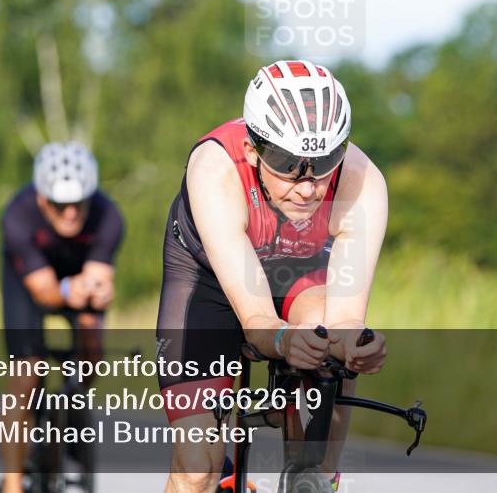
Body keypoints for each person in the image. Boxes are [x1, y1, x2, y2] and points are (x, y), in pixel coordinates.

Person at [157, 60, 389, 492]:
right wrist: (282, 340)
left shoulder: (362, 182)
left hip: (299, 274)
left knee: (327, 342)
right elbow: (258, 322)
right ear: (252, 150)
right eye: (288, 163)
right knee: (196, 468)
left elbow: (344, 319)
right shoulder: (215, 169)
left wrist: (357, 344)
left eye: (325, 162)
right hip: (207, 279)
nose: (308, 186)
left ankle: (316, 476)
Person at [0, 141, 124, 493]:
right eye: (59, 204)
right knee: (26, 375)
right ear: (42, 200)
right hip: (29, 284)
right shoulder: (18, 215)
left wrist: (98, 292)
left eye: (78, 203)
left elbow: (99, 280)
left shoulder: (108, 215)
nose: (70, 213)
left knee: (91, 353)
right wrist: (75, 289)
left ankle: (69, 411)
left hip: (79, 277)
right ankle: (12, 481)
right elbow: (45, 292)